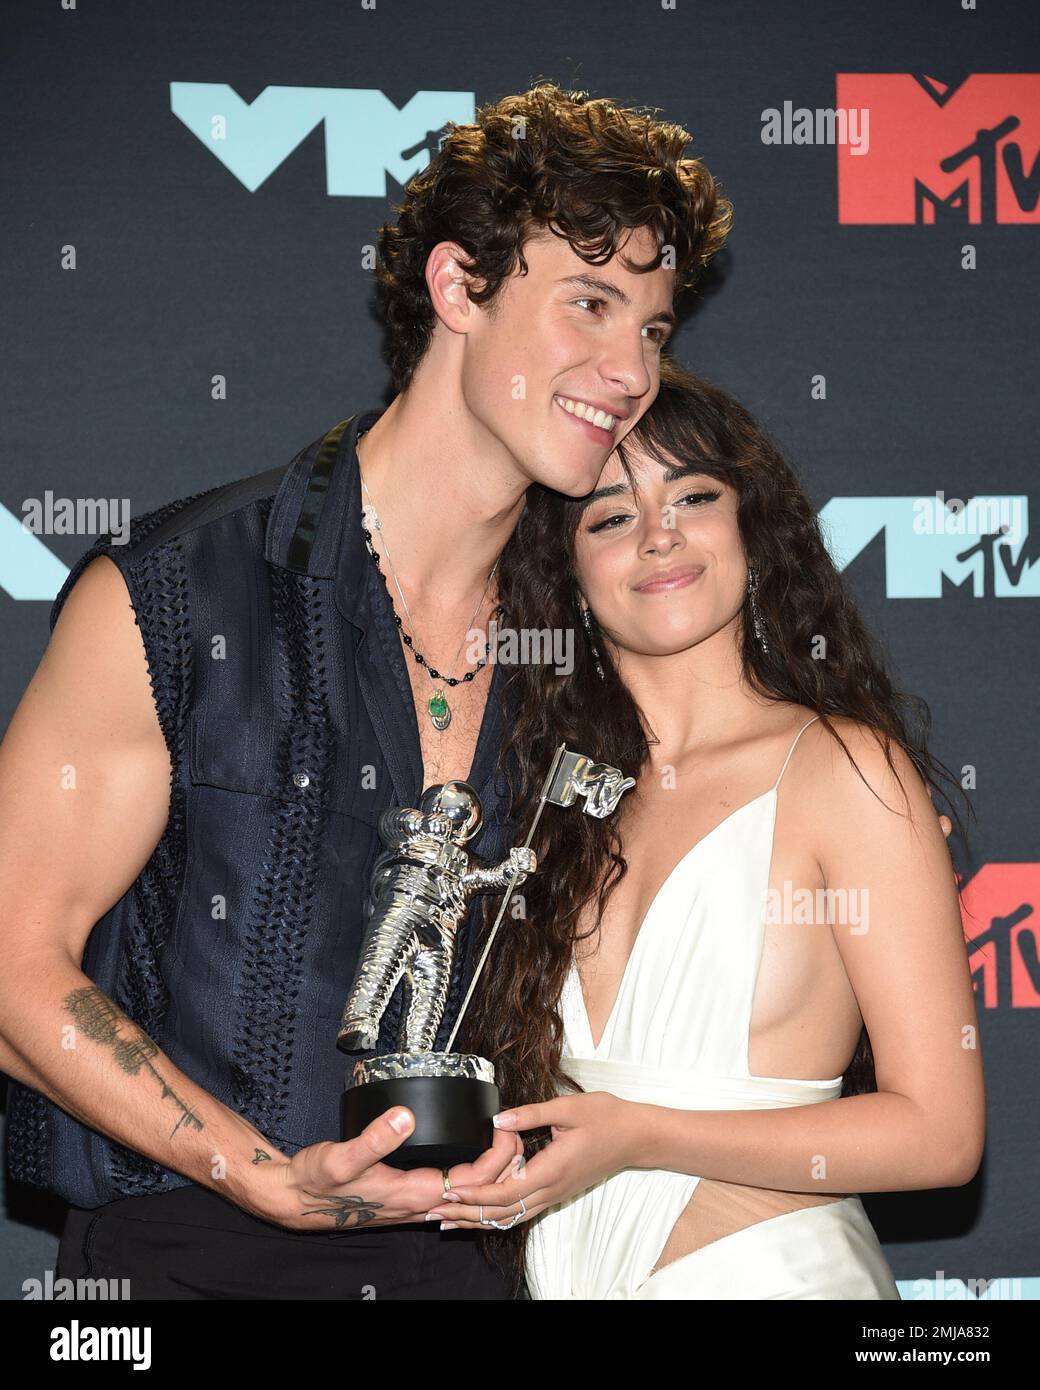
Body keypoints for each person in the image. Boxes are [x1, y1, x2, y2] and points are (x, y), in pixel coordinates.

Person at [0, 83, 732, 1299]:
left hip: (478, 1268)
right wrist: (259, 1174)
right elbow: (15, 958)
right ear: (458, 289)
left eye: (653, 329)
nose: (629, 370)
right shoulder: (183, 592)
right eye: (589, 304)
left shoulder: (601, 636)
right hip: (188, 1264)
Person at [422, 358, 984, 1300]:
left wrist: (643, 1133)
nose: (659, 535)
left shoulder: (843, 772)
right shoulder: (558, 807)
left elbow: (940, 1134)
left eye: (693, 496)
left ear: (749, 531)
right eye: (611, 515)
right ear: (567, 578)